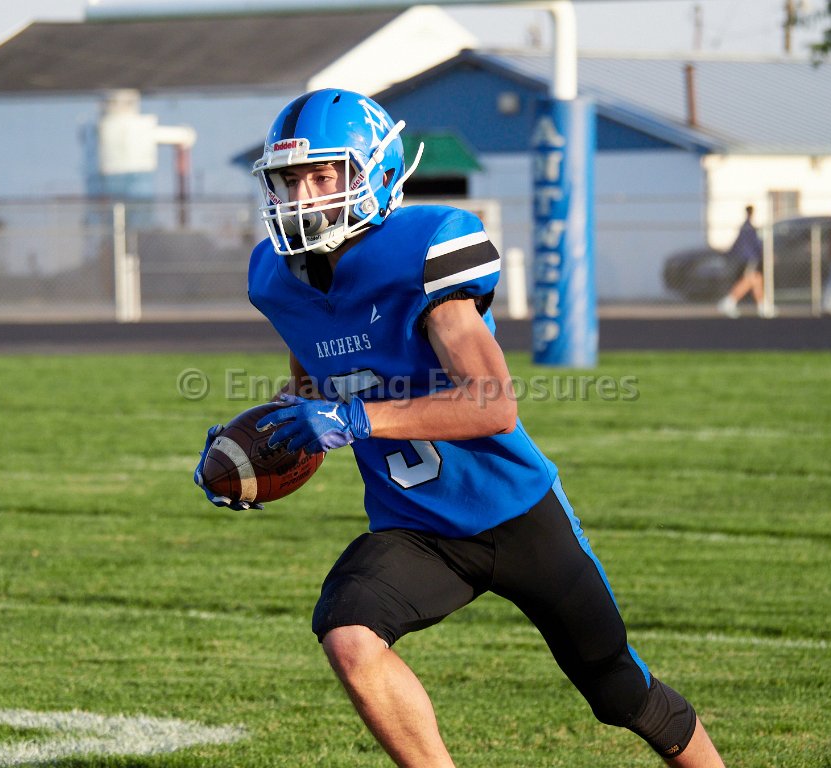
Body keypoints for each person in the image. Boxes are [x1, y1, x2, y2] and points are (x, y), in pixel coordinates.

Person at [195, 89, 727, 767]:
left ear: (378, 174)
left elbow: (492, 403)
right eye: (289, 180)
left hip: (514, 511)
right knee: (348, 635)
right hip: (415, 526)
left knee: (618, 690)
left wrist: (355, 418)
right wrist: (254, 451)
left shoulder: (423, 250)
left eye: (323, 176)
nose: (302, 197)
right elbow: (312, 389)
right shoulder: (278, 281)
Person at [716, 205, 773, 318]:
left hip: (748, 258)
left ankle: (762, 306)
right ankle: (729, 301)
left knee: (756, 279)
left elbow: (738, 243)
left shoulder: (747, 227)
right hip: (749, 259)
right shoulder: (749, 228)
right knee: (749, 280)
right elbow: (755, 244)